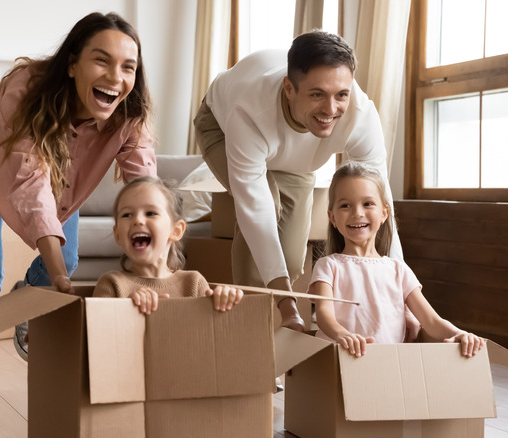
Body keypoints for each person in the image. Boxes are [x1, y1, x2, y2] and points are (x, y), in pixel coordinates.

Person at [0, 12, 157, 393]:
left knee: (68, 259)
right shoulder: (26, 91)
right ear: (72, 63)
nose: (116, 78)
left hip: (60, 167)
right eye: (101, 60)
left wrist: (164, 257)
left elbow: (145, 185)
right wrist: (57, 279)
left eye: (128, 67)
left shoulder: (129, 114)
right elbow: (30, 185)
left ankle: (25, 299)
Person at [194, 30, 417, 334]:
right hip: (220, 126)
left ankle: (283, 336)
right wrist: (288, 307)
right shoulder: (248, 111)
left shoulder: (361, 115)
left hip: (296, 159)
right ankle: (246, 337)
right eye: (316, 94)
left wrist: (406, 298)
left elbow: (381, 205)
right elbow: (256, 213)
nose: (330, 109)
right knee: (267, 206)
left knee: (290, 254)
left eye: (341, 94)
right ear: (289, 88)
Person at [309, 163, 485, 358]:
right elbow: (324, 314)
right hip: (339, 360)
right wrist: (342, 334)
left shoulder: (398, 270)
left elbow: (431, 321)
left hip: (388, 365)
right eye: (345, 205)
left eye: (367, 203)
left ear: (384, 213)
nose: (357, 213)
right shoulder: (328, 266)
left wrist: (459, 333)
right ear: (332, 217)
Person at [92, 176, 244, 314]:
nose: (137, 220)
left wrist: (224, 301)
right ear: (117, 234)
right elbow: (96, 335)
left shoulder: (193, 282)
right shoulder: (112, 284)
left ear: (176, 231)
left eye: (150, 213)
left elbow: (208, 333)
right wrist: (127, 309)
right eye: (126, 214)